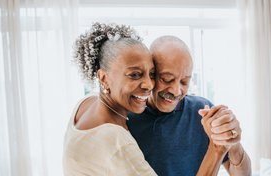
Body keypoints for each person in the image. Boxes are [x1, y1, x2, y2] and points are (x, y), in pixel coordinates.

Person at [63, 23, 229, 176]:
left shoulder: (85, 104)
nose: (149, 85)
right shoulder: (118, 142)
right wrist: (217, 149)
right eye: (135, 75)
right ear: (103, 78)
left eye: (152, 74)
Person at [127, 36, 252, 176]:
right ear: (150, 74)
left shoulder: (202, 111)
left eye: (184, 82)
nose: (176, 91)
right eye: (167, 79)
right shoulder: (126, 119)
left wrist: (233, 142)